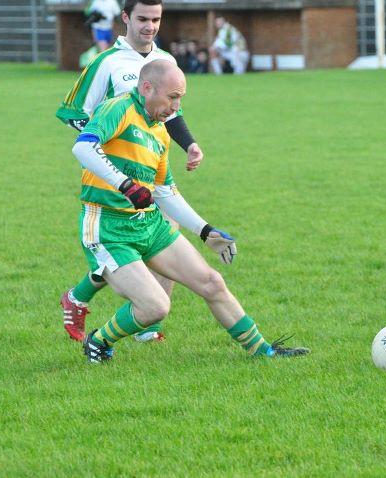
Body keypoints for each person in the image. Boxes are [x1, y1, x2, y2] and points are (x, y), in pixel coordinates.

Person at [72, 60, 309, 363]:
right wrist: (126, 185)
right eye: (172, 97)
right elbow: (83, 147)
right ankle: (99, 341)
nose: (176, 107)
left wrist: (205, 231)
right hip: (108, 228)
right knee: (155, 307)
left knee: (212, 283)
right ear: (147, 88)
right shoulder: (118, 109)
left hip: (149, 225)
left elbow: (164, 192)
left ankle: (264, 351)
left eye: (180, 98)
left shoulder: (159, 131)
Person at [56, 0, 206, 343]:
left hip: (151, 166)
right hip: (113, 175)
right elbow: (73, 111)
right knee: (125, 245)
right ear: (125, 17)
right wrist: (105, 145)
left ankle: (143, 324)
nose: (149, 26)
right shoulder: (106, 62)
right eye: (142, 18)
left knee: (163, 233)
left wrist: (190, 144)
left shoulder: (165, 61)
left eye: (156, 19)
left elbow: (171, 113)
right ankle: (84, 299)